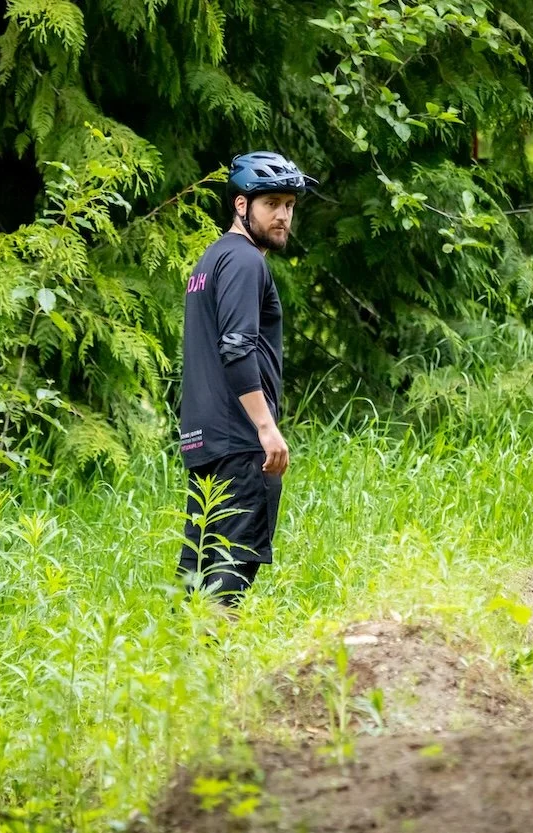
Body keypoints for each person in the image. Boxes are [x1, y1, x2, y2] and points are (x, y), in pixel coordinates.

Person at [178, 150, 316, 606]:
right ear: (241, 205)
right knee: (228, 582)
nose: (282, 215)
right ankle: (217, 676)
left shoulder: (210, 261)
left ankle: (187, 674)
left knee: (198, 582)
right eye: (271, 203)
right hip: (240, 445)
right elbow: (237, 347)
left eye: (289, 205)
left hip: (205, 445)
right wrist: (266, 426)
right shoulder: (244, 261)